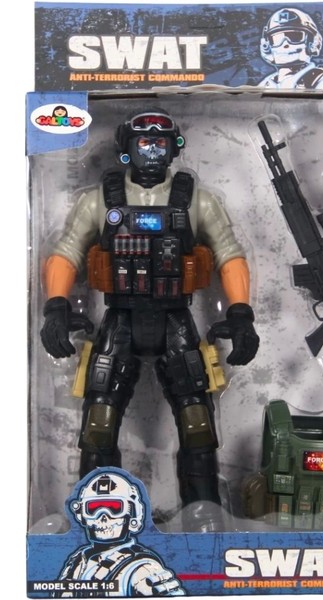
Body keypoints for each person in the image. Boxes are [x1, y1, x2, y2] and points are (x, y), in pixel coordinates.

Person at [40, 108, 259, 532]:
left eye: (162, 141)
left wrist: (240, 314)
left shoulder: (198, 201)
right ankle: (94, 517)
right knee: (99, 423)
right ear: (127, 148)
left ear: (175, 147)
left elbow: (230, 254)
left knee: (197, 423)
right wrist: (56, 307)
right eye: (145, 141)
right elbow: (66, 252)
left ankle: (203, 515)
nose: (154, 149)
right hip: (118, 320)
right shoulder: (99, 201)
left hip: (176, 320)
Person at [56, 471, 185, 596]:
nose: (103, 517)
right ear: (82, 515)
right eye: (93, 508)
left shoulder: (143, 570)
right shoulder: (78, 561)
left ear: (132, 514)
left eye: (114, 508)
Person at [259, 7, 323, 90]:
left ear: (312, 42)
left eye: (294, 37)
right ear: (267, 46)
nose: (285, 44)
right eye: (277, 39)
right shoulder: (265, 85)